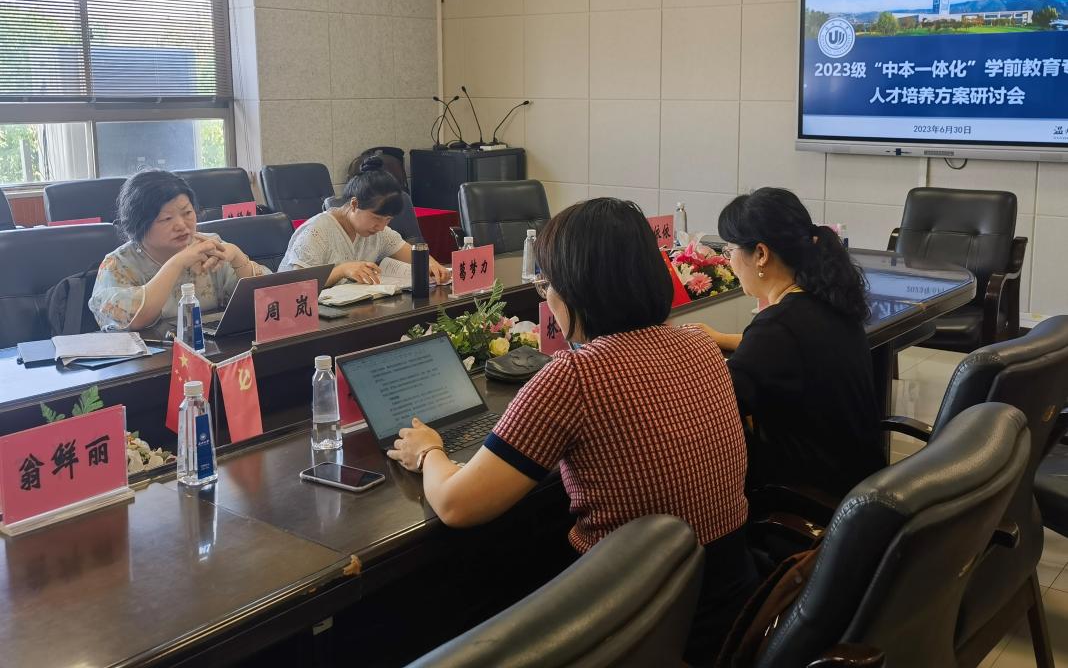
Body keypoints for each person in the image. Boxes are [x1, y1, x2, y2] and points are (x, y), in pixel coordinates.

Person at [387, 198, 756, 664]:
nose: (547, 298)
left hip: (634, 626)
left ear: (575, 289)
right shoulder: (698, 344)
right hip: (729, 608)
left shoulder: (575, 375)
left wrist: (429, 452)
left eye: (547, 284)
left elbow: (457, 505)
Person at [692, 187, 885, 496]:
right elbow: (793, 348)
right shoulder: (827, 300)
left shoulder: (776, 328)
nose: (729, 262)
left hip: (812, 495)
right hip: (860, 482)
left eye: (730, 251)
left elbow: (716, 408)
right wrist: (719, 339)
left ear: (761, 254)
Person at [90, 170, 269, 331]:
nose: (181, 225)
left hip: (212, 350)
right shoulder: (118, 265)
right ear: (139, 225)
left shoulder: (209, 245)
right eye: (167, 219)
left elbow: (268, 300)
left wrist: (237, 257)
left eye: (187, 213)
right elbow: (134, 319)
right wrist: (177, 263)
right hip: (151, 356)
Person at [278, 156, 448, 286]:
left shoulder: (379, 232)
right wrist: (342, 270)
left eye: (388, 219)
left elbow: (414, 255)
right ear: (354, 204)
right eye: (376, 218)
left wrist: (433, 266)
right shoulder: (317, 231)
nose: (381, 227)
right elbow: (297, 283)